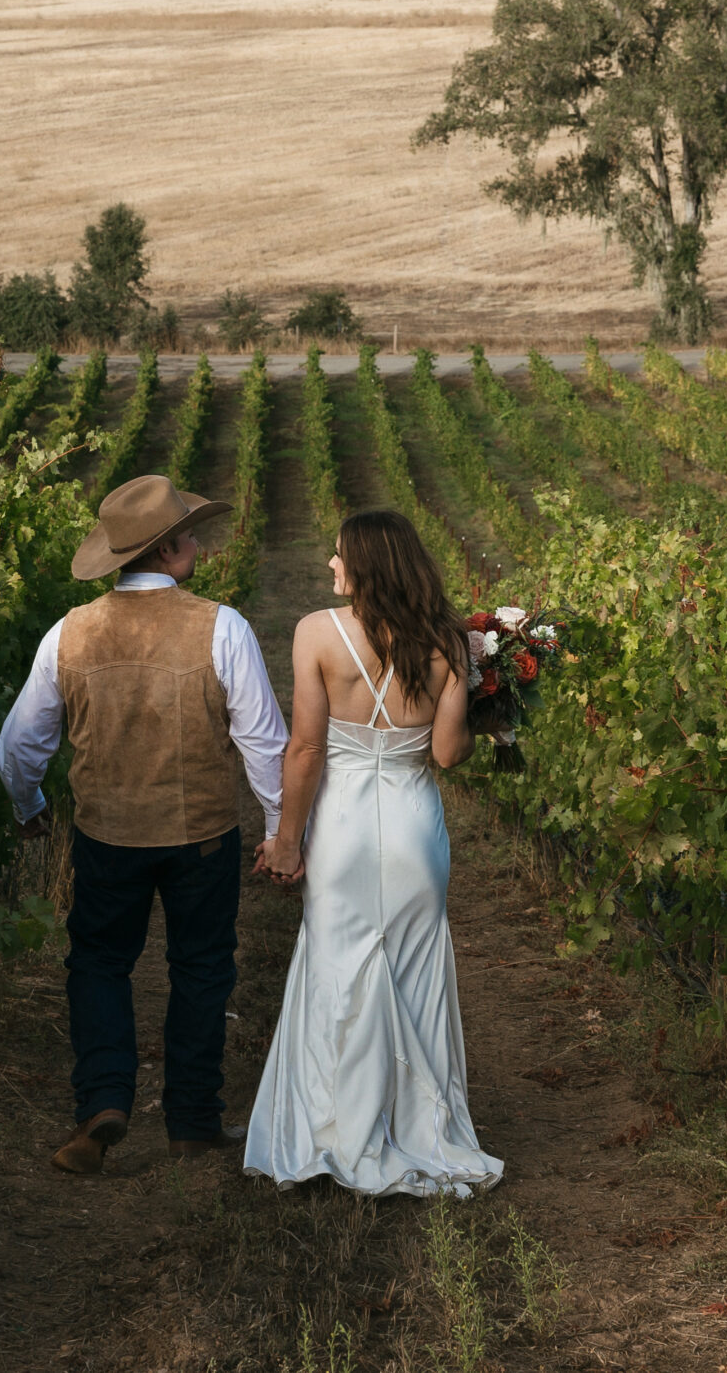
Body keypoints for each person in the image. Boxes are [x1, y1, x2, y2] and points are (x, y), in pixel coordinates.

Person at [0, 473, 290, 1175]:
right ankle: (191, 1120)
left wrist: (29, 806)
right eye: (188, 532)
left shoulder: (70, 632)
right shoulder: (221, 625)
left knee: (98, 962)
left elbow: (18, 747)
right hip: (204, 837)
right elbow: (264, 744)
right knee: (201, 968)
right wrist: (282, 828)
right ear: (165, 549)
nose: (198, 540)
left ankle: (103, 1098)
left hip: (107, 835)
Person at [243, 509, 503, 1198]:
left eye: (339, 558)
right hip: (415, 823)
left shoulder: (316, 634)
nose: (331, 567)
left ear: (366, 567)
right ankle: (421, 1129)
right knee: (416, 975)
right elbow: (447, 754)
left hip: (346, 824)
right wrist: (482, 710)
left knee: (339, 967)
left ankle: (337, 1130)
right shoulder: (452, 643)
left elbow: (303, 749)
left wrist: (286, 839)